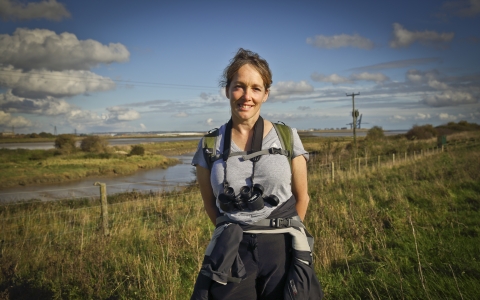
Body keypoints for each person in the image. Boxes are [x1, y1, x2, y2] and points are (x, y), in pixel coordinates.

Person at [191, 48, 322, 300]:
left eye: (255, 88)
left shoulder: (286, 136)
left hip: (281, 247)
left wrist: (286, 229)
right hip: (233, 249)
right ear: (227, 90)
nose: (246, 96)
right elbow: (210, 203)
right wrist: (234, 230)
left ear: (266, 94)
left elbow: (302, 196)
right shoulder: (209, 143)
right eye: (239, 86)